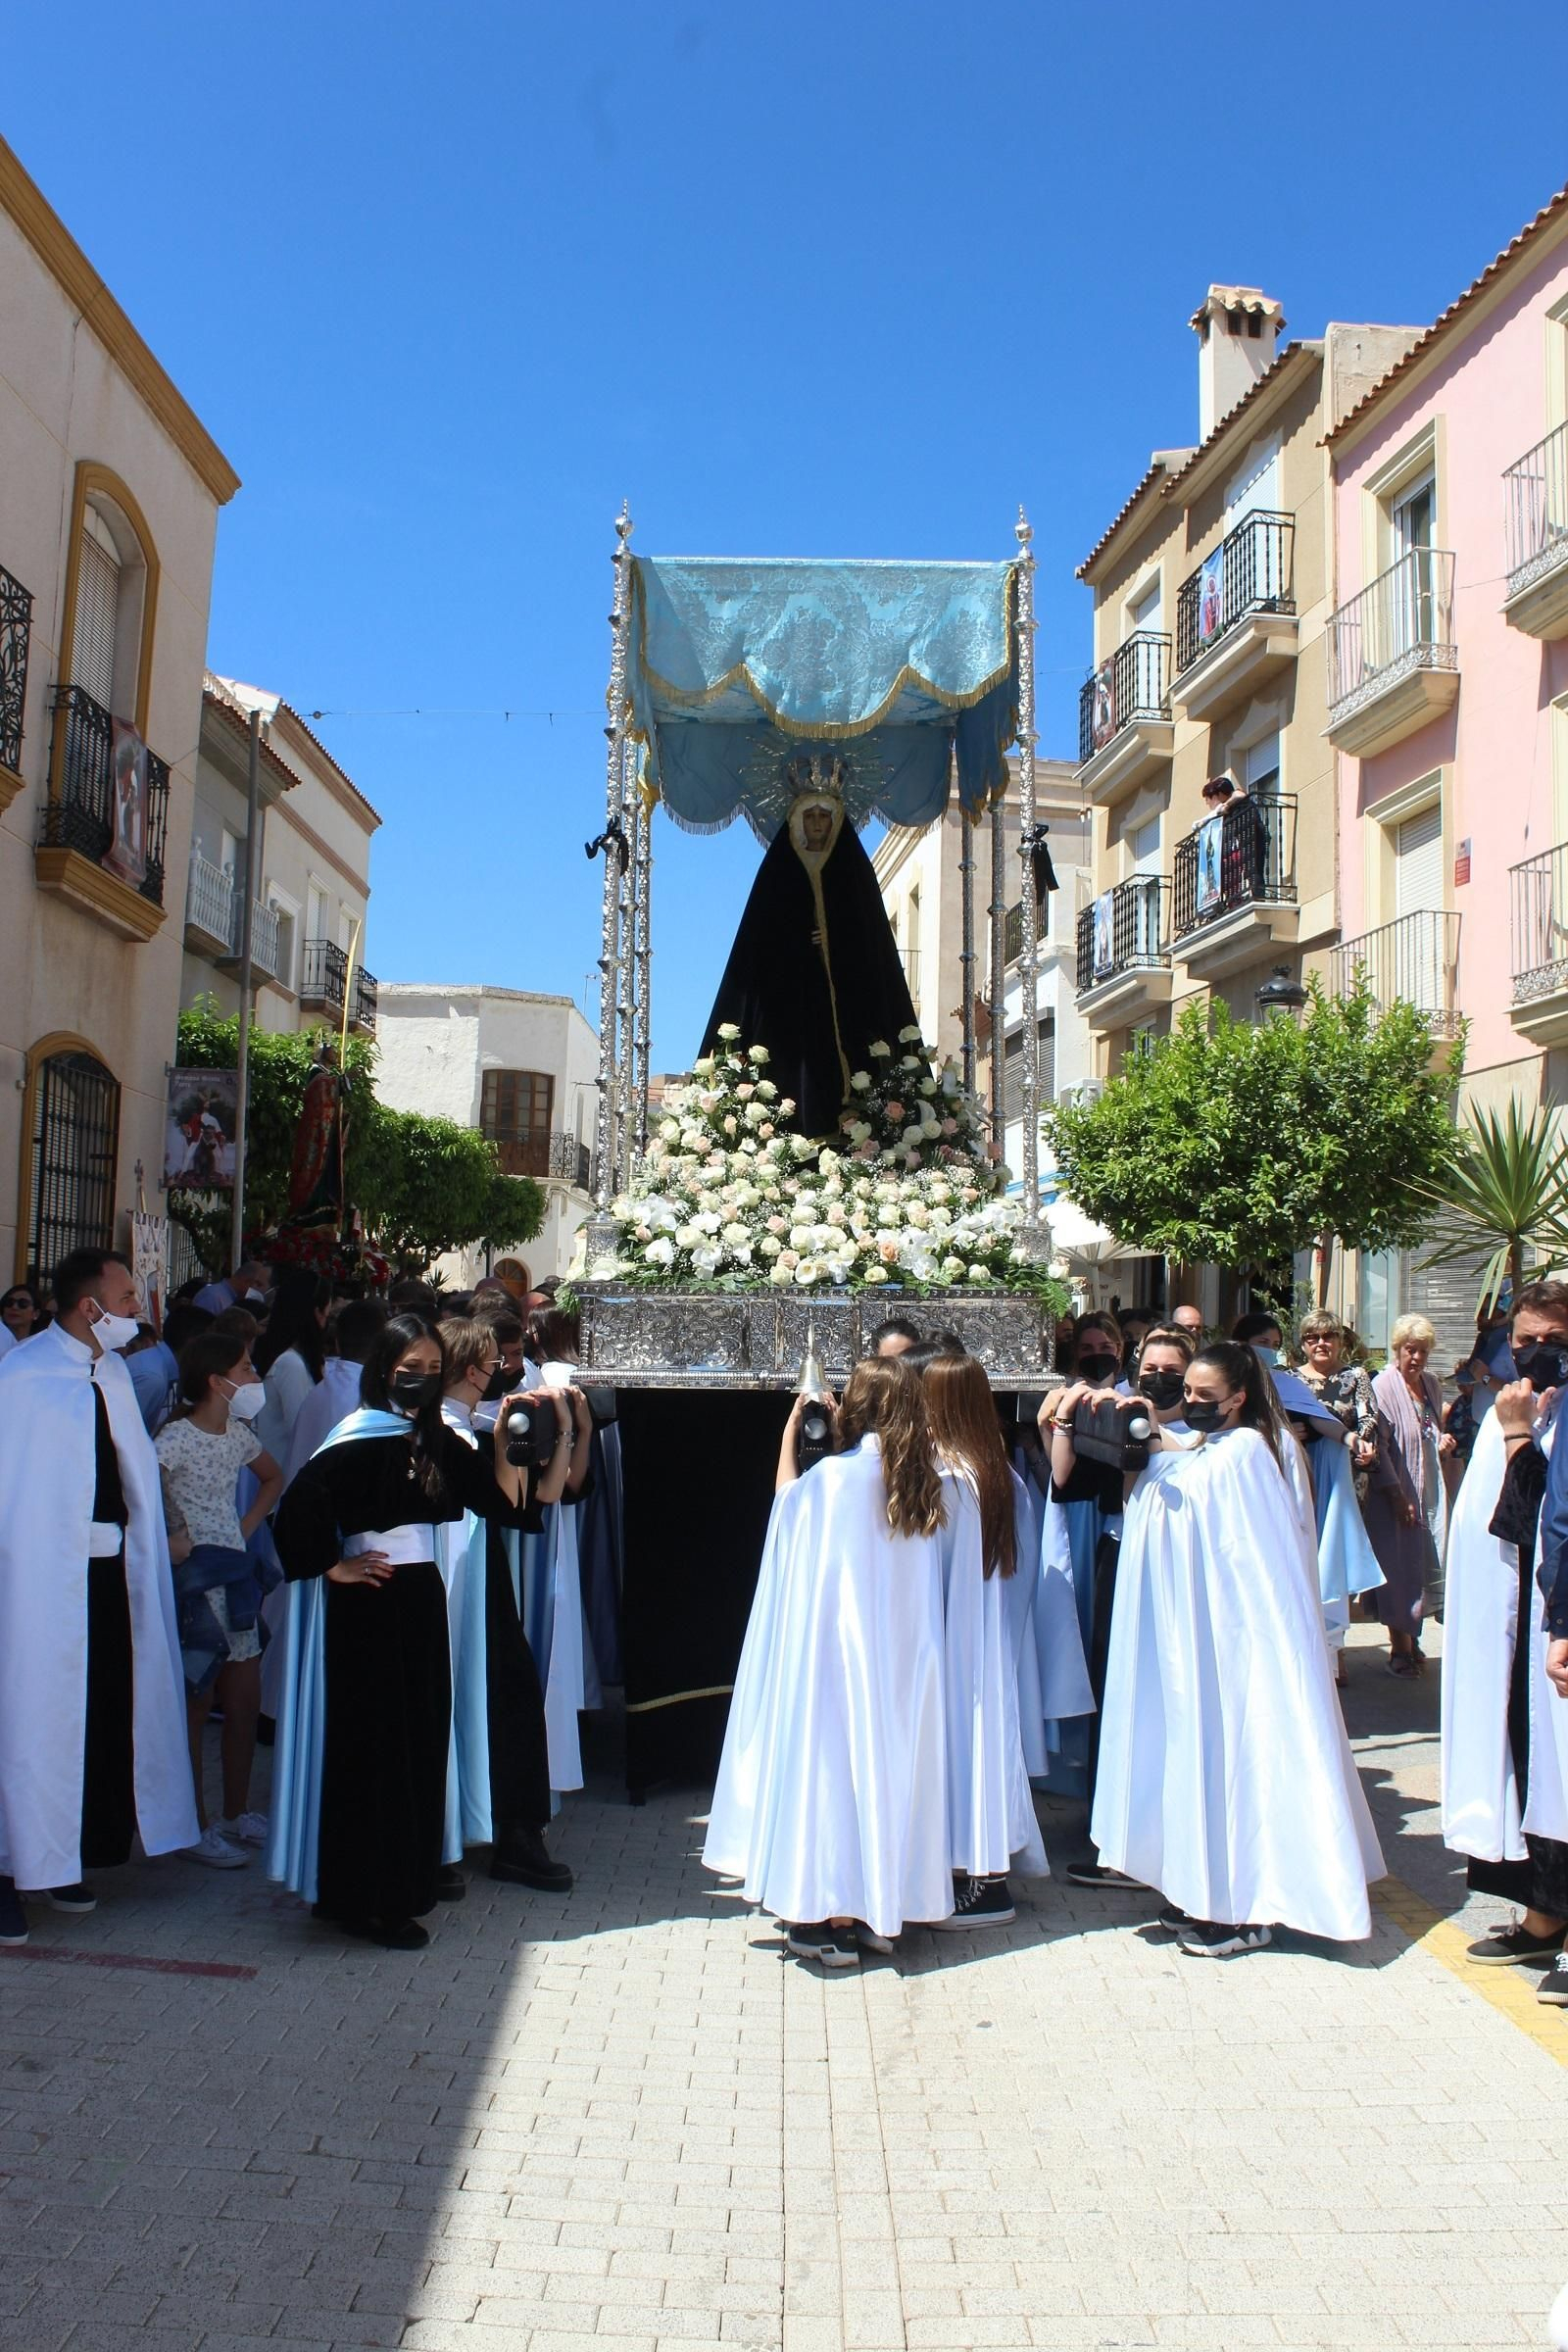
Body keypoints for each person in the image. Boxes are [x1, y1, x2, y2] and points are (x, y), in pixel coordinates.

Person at [1092, 1341, 1385, 1957]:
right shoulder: (1215, 1447)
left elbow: (1197, 1498)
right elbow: (1176, 1470)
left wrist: (1154, 1450)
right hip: (1206, 1639)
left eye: (1205, 1397)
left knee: (1245, 1764)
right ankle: (1206, 1888)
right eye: (1189, 1394)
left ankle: (1248, 1907)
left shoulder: (1248, 1451)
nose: (1192, 1405)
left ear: (1240, 1397)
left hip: (1240, 1644)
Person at [266, 1314, 539, 1950]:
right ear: (384, 1370)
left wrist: (503, 1441)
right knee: (375, 1747)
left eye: (430, 1370)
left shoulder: (437, 1438)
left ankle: (403, 1882)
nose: (420, 1381)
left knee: (419, 1741)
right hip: (371, 1603)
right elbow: (299, 1510)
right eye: (408, 1370)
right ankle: (372, 1900)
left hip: (421, 1600)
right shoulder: (356, 1435)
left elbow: (495, 1502)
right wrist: (336, 1565)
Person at [704, 1357, 952, 1966]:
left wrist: (793, 1433)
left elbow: (787, 1509)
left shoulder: (835, 1480)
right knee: (884, 1774)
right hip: (900, 1662)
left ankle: (824, 1914)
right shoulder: (922, 1482)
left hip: (837, 1659)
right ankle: (877, 1905)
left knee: (831, 1777)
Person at [0, 1250, 197, 1947]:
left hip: (108, 1580)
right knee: (30, 1718)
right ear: (90, 1308)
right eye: (125, 1296)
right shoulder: (21, 1379)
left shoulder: (109, 1371)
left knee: (98, 1714)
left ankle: (60, 1857)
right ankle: (7, 1870)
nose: (136, 1307)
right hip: (36, 1588)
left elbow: (126, 1474)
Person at [1444, 1280, 1568, 1988]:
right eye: (1525, 1341)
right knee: (1526, 1765)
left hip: (1551, 1622)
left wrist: (1520, 1432)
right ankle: (1541, 1916)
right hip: (1516, 1634)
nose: (1536, 1353)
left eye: (1554, 1340)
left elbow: (1535, 1520)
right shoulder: (1511, 1407)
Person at [1045, 1325, 1193, 1886]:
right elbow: (1064, 1478)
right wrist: (1069, 1418)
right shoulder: (1119, 1414)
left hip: (1180, 1578)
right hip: (1121, 1562)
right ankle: (1115, 1831)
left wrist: (1155, 1430)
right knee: (1118, 1690)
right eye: (1149, 1367)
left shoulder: (1208, 1434)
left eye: (1171, 1370)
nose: (1158, 1379)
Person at [436, 1318, 578, 1892]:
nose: (504, 1369)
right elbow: (515, 1501)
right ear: (473, 1370)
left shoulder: (468, 1427)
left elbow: (536, 1500)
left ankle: (498, 1830)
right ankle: (503, 1836)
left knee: (501, 1695)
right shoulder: (454, 1435)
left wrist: (561, 1429)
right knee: (497, 1695)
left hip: (477, 1577)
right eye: (496, 1360)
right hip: (460, 1580)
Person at [699, 778, 921, 1137]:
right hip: (787, 1007)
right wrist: (799, 943)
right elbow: (758, 946)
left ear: (835, 822)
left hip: (849, 1010)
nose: (817, 823)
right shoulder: (779, 873)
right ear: (797, 821)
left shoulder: (854, 874)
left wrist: (836, 942)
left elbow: (872, 946)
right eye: (811, 816)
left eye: (824, 816)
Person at [922, 1353, 1048, 1926]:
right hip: (982, 1635)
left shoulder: (952, 1478)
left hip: (957, 1636)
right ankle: (979, 1870)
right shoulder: (994, 1468)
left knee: (964, 1745)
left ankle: (981, 1879)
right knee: (981, 1744)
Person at [156, 1332, 283, 1864]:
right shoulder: (172, 1439)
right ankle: (194, 1824)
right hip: (191, 1583)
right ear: (217, 1380)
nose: (254, 1378)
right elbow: (144, 1494)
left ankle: (234, 1813)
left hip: (233, 1576)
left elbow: (273, 1478)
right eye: (246, 1369)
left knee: (243, 1702)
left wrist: (246, 1524)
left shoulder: (237, 1434)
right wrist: (170, 1539)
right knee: (196, 1701)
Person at [1033, 1310, 1124, 1823]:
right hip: (1075, 1521)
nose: (1095, 1354)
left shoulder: (1134, 1397)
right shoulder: (1059, 1396)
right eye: (1086, 1348)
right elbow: (1056, 1471)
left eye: (1103, 1345)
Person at [1292, 1312, 1385, 1680]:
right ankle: (1310, 1642)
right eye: (1312, 1337)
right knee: (1305, 1556)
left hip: (1344, 1473)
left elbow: (1369, 1418)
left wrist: (1363, 1444)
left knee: (1336, 1556)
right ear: (1302, 1342)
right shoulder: (1291, 1379)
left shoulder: (1355, 1377)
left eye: (1328, 1336)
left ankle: (1336, 1647)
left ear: (1340, 1340)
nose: (1321, 1343)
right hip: (1302, 1473)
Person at [1364, 1312, 1455, 1676]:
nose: (1415, 1358)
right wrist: (1397, 1495)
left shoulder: (1431, 1384)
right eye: (1409, 1350)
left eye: (1422, 1351)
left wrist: (1442, 1440)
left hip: (1430, 1485)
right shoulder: (1383, 1386)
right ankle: (1398, 1648)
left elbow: (1430, 1430)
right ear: (1397, 1348)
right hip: (1396, 1487)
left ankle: (1413, 1638)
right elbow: (1380, 1447)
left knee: (1424, 1563)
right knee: (1398, 1567)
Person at [252, 1271, 330, 1467]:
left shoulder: (295, 1360)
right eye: (326, 1311)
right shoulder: (290, 1364)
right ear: (315, 1312)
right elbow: (301, 1430)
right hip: (286, 1473)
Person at [193, 1259, 270, 1316]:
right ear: (246, 1280)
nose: (259, 1291)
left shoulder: (232, 1299)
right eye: (259, 1285)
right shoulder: (213, 1298)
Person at [0, 1283, 43, 1357]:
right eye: (10, 1302)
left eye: (23, 1303)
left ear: (36, 1314)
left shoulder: (41, 1347)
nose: (14, 1307)